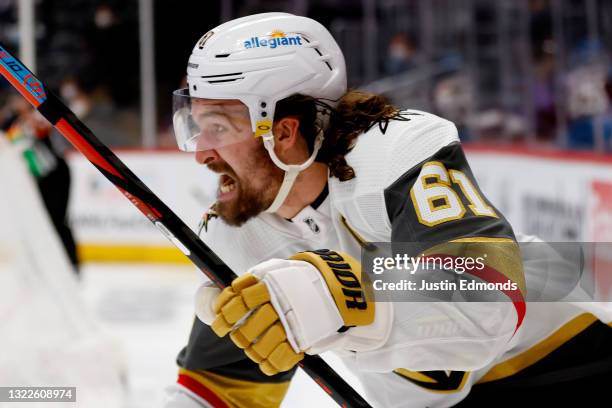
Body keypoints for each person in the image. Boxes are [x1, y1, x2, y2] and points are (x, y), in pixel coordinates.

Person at [164, 13, 612, 408]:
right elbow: (218, 392)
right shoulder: (236, 233)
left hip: (567, 360)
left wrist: (345, 297)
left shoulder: (394, 153)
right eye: (195, 127)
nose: (201, 154)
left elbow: (487, 303)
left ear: (283, 132)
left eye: (218, 128)